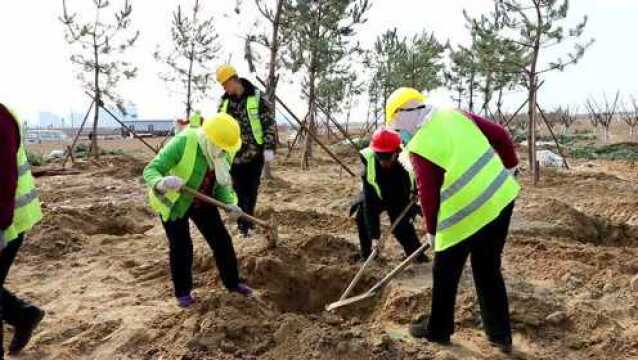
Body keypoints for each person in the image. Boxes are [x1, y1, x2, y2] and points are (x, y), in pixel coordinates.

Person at [385, 87, 520, 353]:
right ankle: (500, 336)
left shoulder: (421, 144)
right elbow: (501, 136)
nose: (400, 134)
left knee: (445, 271)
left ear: (403, 117)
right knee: (488, 268)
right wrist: (511, 167)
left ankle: (438, 330)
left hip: (466, 212)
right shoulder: (455, 114)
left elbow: (429, 194)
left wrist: (433, 232)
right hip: (501, 198)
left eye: (397, 127)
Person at [143, 112, 253, 308]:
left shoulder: (223, 150)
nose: (223, 151)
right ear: (210, 138)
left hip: (202, 199)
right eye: (220, 147)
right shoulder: (184, 141)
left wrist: (230, 204)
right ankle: (183, 293)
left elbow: (221, 185)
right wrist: (162, 182)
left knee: (221, 240)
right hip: (174, 200)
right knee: (182, 245)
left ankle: (233, 283)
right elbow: (151, 169)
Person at [0, 103, 46, 357]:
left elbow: (5, 177)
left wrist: (1, 226)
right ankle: (22, 315)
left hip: (9, 221)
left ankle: (23, 315)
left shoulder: (0, 117)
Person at [216, 64, 277, 238]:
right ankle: (245, 227)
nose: (224, 88)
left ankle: (247, 225)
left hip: (254, 154)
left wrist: (269, 147)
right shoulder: (224, 103)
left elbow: (268, 123)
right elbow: (218, 127)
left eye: (225, 84)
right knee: (238, 191)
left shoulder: (257, 97)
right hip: (233, 156)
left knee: (251, 191)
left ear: (234, 80)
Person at [350, 128, 427, 263]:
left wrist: (415, 198)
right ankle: (368, 255)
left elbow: (419, 184)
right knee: (362, 215)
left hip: (400, 197)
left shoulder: (406, 164)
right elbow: (369, 203)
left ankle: (417, 256)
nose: (383, 161)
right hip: (376, 194)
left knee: (401, 226)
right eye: (380, 156)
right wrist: (375, 237)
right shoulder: (370, 164)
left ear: (397, 152)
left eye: (387, 157)